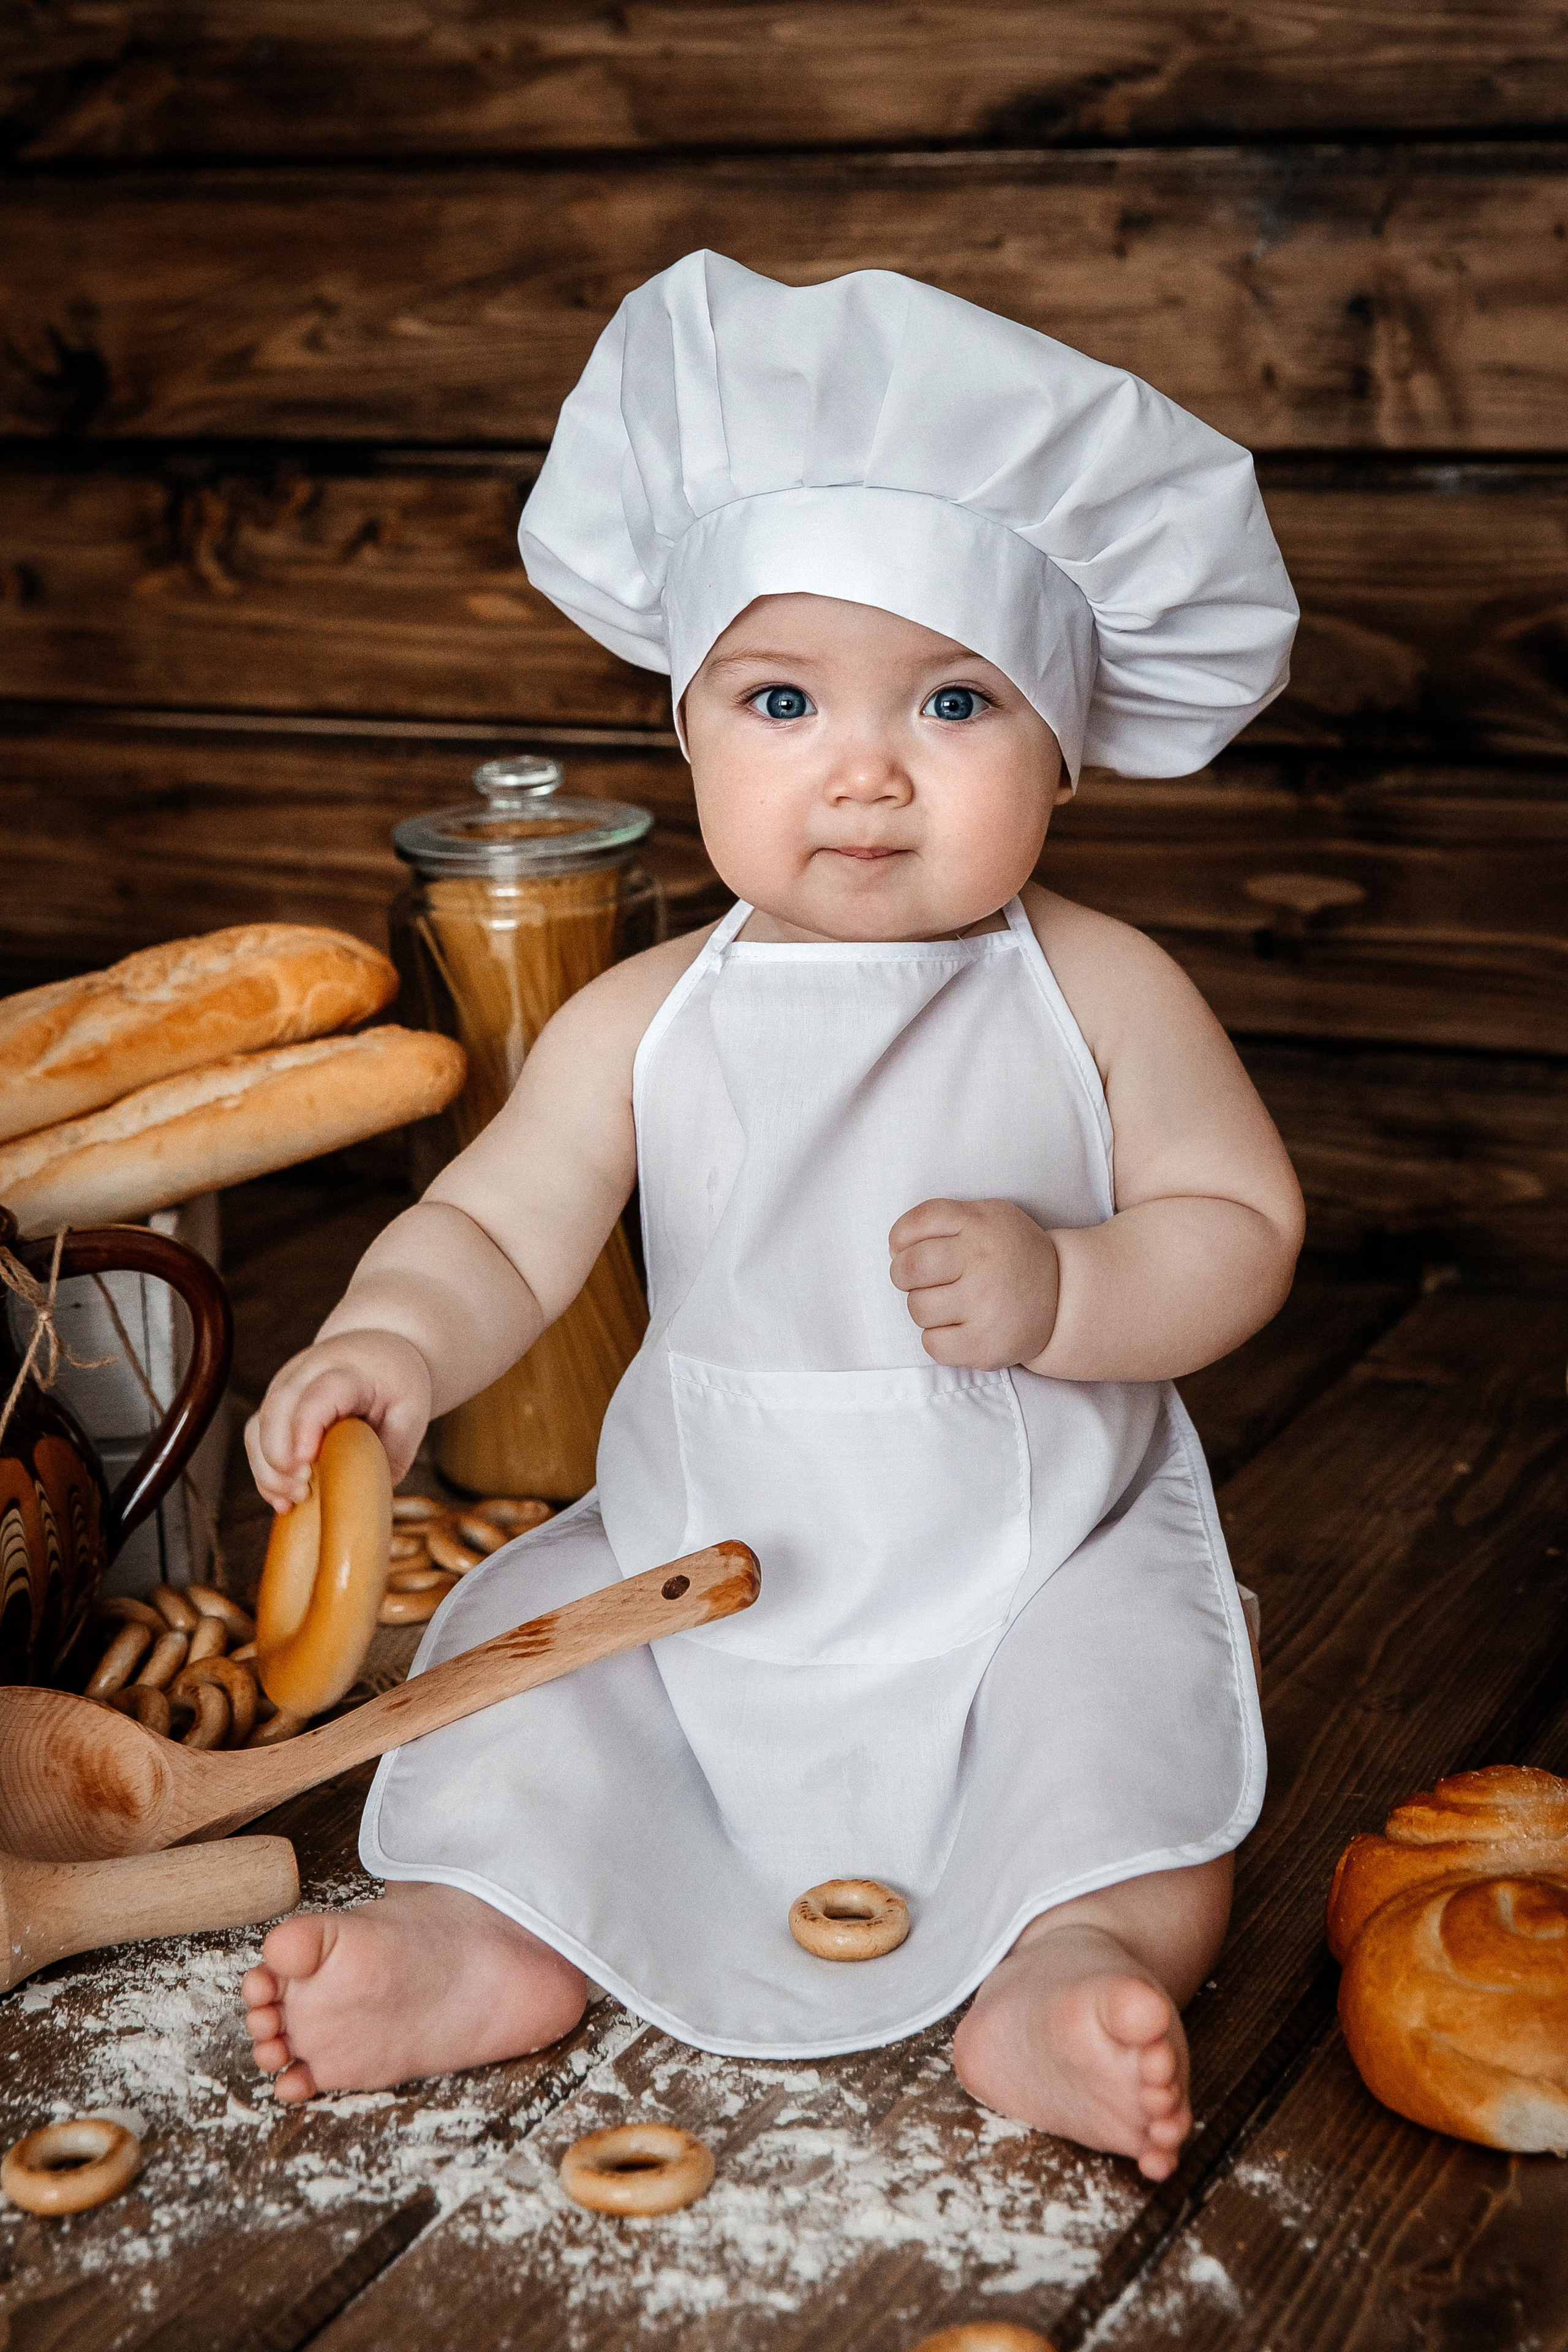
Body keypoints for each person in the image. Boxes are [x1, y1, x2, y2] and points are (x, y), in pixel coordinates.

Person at [240, 253, 1303, 2182]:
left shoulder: (1104, 990)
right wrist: (392, 1341)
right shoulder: (652, 1014)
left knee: (1132, 1758)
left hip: (1031, 1564)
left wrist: (1077, 1285)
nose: (867, 769)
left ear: (1064, 742)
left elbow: (1241, 1224)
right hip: (706, 1562)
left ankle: (1066, 1972)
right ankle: (487, 1944)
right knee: (529, 1710)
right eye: (786, 695)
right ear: (691, 723)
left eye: (958, 700)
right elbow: (497, 1226)